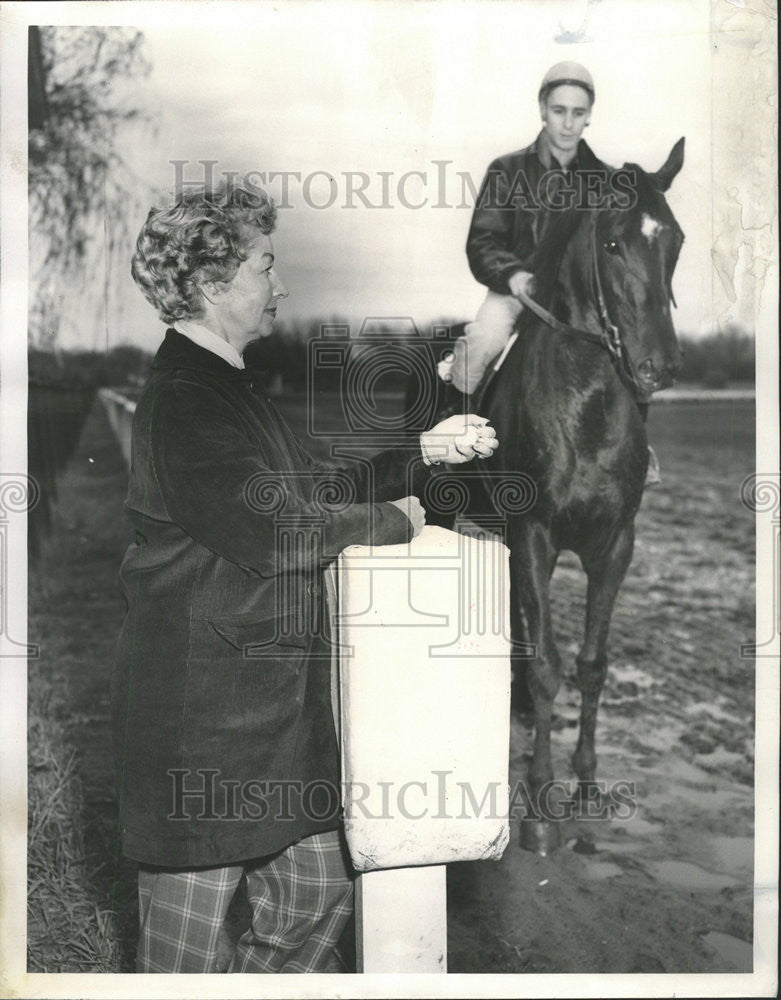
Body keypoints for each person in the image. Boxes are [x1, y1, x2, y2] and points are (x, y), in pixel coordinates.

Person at [111, 181, 497, 974]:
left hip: (270, 724)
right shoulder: (188, 397)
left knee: (319, 890)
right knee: (179, 966)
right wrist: (397, 520)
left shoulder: (226, 382)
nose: (279, 285)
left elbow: (307, 484)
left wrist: (419, 453)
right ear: (214, 280)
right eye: (264, 265)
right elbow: (273, 527)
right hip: (203, 736)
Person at [439, 60, 661, 483]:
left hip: (582, 298)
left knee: (634, 349)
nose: (568, 122)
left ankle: (639, 451)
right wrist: (511, 274)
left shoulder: (606, 180)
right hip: (517, 291)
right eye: (559, 110)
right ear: (542, 109)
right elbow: (482, 241)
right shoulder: (507, 171)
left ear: (589, 115)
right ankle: (455, 438)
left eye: (578, 113)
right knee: (484, 340)